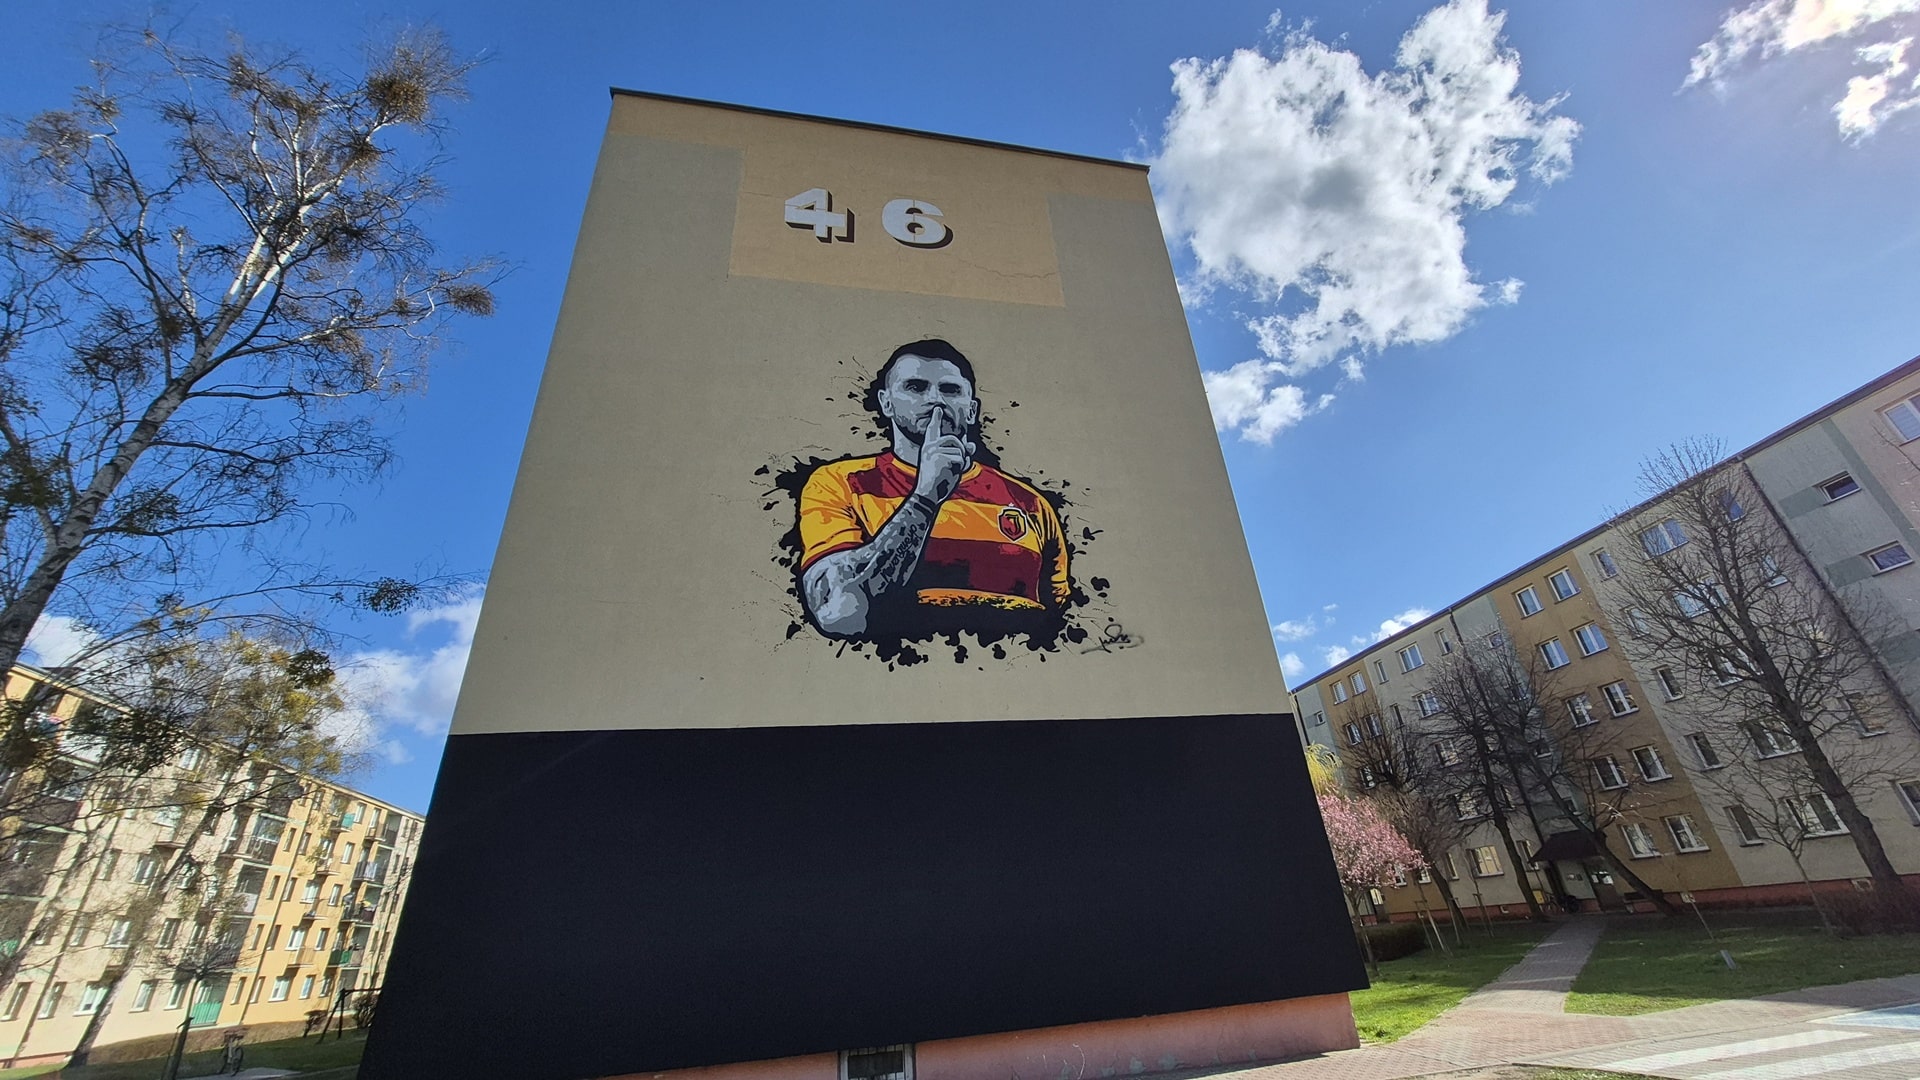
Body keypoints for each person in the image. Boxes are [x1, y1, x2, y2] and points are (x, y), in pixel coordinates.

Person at [798, 339, 1070, 640]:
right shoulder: (841, 482)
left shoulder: (1029, 503)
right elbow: (839, 614)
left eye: (950, 390)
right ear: (886, 403)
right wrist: (925, 497)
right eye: (915, 387)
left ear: (972, 410)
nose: (936, 400)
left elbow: (1056, 619)